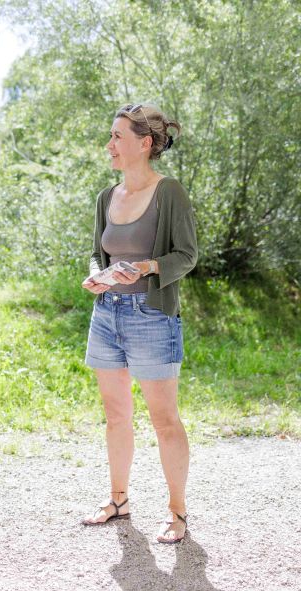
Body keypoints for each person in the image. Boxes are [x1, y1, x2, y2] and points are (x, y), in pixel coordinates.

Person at [80, 103, 198, 543]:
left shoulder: (170, 193)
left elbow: (187, 255)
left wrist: (148, 266)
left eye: (117, 137)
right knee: (115, 415)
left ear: (143, 143)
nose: (109, 144)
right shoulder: (106, 197)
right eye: (110, 136)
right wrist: (97, 273)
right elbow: (99, 251)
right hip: (106, 314)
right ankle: (118, 500)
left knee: (164, 419)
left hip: (152, 317)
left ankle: (177, 512)